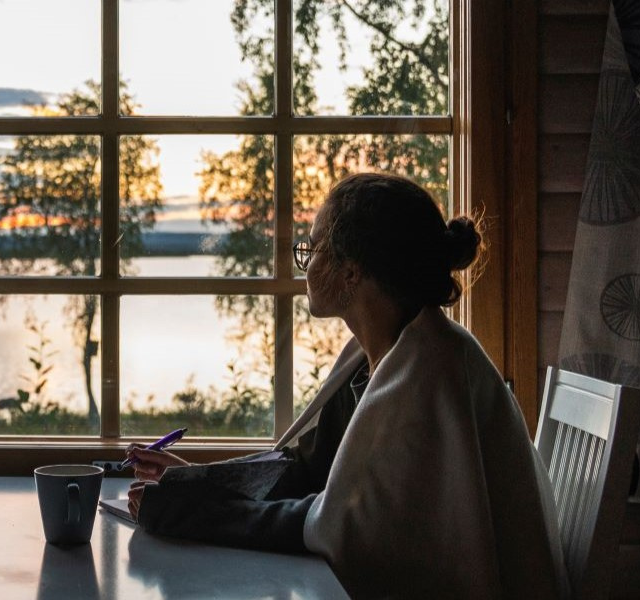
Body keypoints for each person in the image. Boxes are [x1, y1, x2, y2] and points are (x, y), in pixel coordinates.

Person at [124, 173, 568, 598]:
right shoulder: (382, 355)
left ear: (352, 272)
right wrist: (196, 482)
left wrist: (186, 511)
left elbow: (334, 528)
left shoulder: (427, 376)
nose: (306, 259)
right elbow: (310, 468)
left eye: (314, 246)